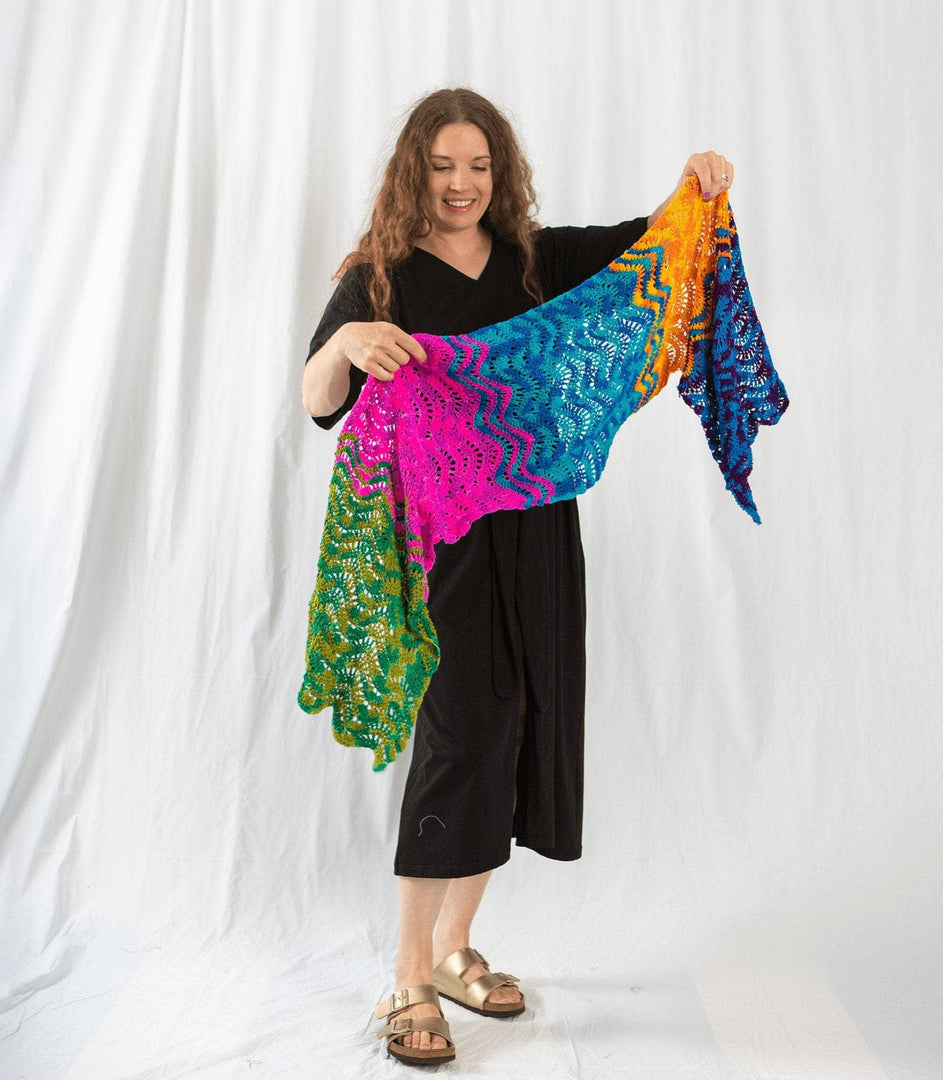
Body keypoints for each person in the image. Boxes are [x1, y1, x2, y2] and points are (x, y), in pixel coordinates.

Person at [301, 87, 733, 1066]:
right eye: (444, 165)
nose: (462, 184)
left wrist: (697, 187)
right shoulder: (379, 276)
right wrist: (343, 344)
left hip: (538, 532)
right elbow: (315, 399)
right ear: (417, 170)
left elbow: (654, 242)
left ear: (501, 174)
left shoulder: (537, 260)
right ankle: (408, 974)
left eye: (479, 167)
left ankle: (455, 951)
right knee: (459, 736)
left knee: (523, 722)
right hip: (439, 545)